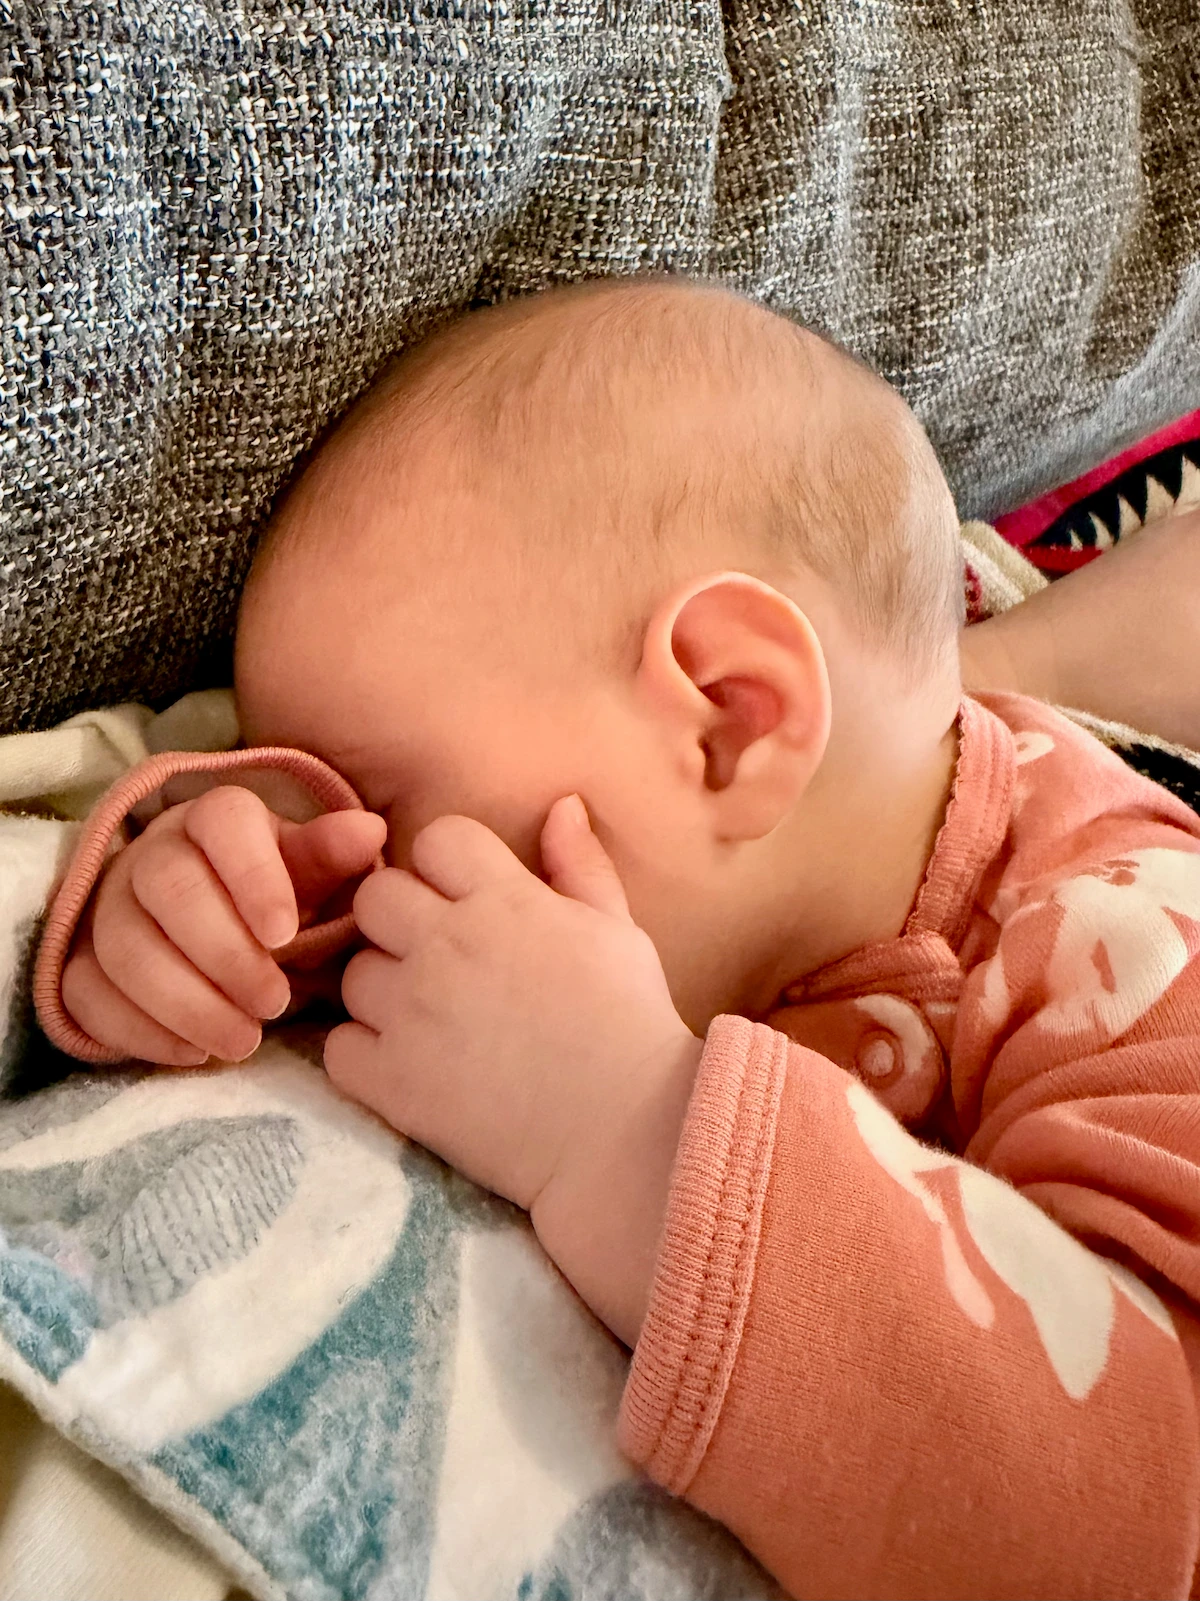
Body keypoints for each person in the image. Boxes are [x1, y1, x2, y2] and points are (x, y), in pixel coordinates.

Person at [35, 278, 1200, 1599]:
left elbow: (1137, 1516)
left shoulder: (1134, 946)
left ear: (726, 721)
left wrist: (630, 1123)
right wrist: (190, 914)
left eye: (399, 810)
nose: (375, 890)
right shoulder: (694, 892)